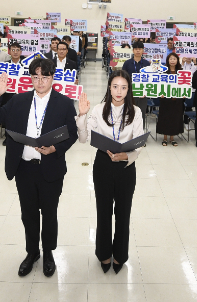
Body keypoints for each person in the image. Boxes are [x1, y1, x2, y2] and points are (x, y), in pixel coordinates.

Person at [0, 57, 78, 278]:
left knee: (49, 214)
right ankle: (32, 253)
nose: (40, 82)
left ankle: (48, 253)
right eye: (35, 77)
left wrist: (55, 149)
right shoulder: (19, 101)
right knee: (28, 214)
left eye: (44, 77)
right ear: (31, 78)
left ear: (52, 77)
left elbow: (72, 134)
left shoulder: (64, 103)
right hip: (24, 169)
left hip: (50, 168)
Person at [76, 72, 142, 274]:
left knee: (123, 213)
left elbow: (138, 142)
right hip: (103, 164)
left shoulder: (136, 111)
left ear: (128, 89)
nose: (119, 91)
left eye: (123, 87)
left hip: (125, 166)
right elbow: (83, 138)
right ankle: (103, 253)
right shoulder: (97, 109)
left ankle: (120, 255)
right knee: (103, 211)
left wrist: (126, 156)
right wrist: (82, 115)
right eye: (115, 87)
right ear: (109, 87)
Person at [157, 52, 184, 146]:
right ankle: (165, 138)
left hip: (177, 100)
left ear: (177, 60)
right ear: (168, 60)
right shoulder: (163, 71)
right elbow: (159, 85)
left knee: (175, 118)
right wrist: (160, 93)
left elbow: (185, 85)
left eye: (174, 59)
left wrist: (184, 93)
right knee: (165, 118)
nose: (172, 60)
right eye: (171, 59)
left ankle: (172, 138)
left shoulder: (181, 72)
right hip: (165, 100)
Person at [122, 41, 150, 127]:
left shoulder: (147, 63)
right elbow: (123, 78)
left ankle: (140, 134)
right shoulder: (127, 63)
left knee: (141, 114)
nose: (138, 51)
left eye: (140, 49)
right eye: (136, 49)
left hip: (142, 93)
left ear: (142, 51)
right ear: (133, 50)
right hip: (130, 92)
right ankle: (128, 133)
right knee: (129, 113)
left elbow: (149, 78)